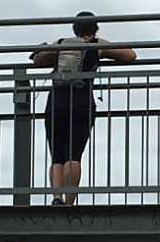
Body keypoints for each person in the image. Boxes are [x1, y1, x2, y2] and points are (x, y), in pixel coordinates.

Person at [29, 11, 136, 205]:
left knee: (57, 156)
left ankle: (56, 198)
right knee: (74, 155)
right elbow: (130, 55)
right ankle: (70, 202)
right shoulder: (97, 44)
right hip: (82, 101)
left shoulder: (62, 43)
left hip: (57, 101)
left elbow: (38, 60)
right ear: (95, 28)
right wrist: (101, 48)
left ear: (74, 29)